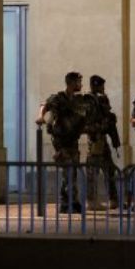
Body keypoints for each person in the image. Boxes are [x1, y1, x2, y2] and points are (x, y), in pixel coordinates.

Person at [36, 71, 86, 214]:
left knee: (73, 171)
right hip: (61, 141)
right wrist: (40, 117)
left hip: (72, 140)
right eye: (78, 82)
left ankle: (70, 201)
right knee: (68, 170)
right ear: (71, 83)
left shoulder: (76, 100)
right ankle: (68, 202)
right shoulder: (58, 98)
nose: (80, 84)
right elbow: (44, 105)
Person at [84, 75, 120, 210]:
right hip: (94, 140)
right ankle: (92, 200)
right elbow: (88, 122)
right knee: (92, 171)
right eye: (101, 86)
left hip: (102, 140)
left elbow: (107, 116)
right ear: (95, 85)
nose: (103, 89)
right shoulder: (88, 101)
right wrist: (104, 123)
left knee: (109, 169)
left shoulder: (101, 100)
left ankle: (113, 198)